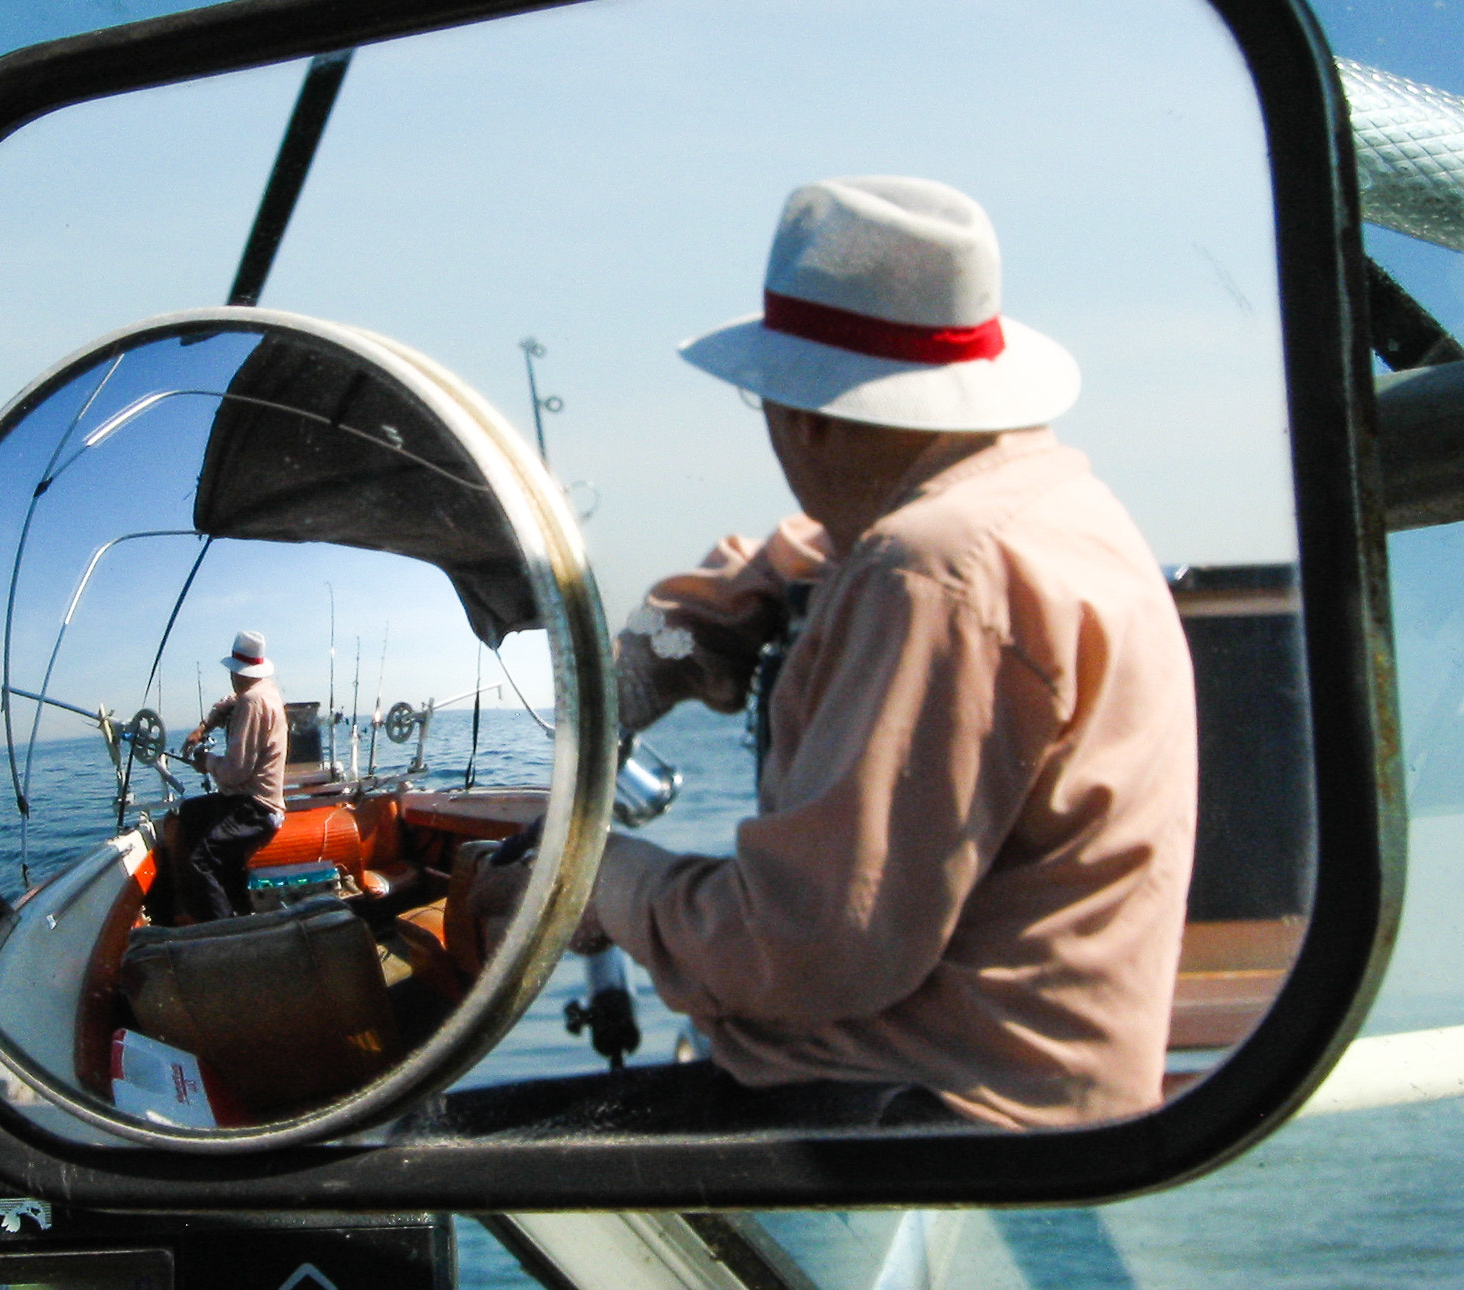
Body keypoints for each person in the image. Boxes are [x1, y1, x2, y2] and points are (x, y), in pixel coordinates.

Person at [448, 176, 1197, 1135]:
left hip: (932, 1116)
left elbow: (806, 948)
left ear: (804, 417)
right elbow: (789, 556)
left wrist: (600, 880)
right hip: (1018, 1089)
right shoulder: (1015, 501)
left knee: (409, 1159)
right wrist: (639, 666)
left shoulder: (929, 574)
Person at [157, 630, 288, 922]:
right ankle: (240, 911)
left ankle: (223, 929)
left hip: (257, 808)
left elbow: (235, 772)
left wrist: (206, 762)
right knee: (189, 813)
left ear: (237, 671)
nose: (231, 678)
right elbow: (229, 702)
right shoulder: (264, 691)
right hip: (251, 801)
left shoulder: (252, 703)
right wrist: (204, 728)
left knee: (200, 861)